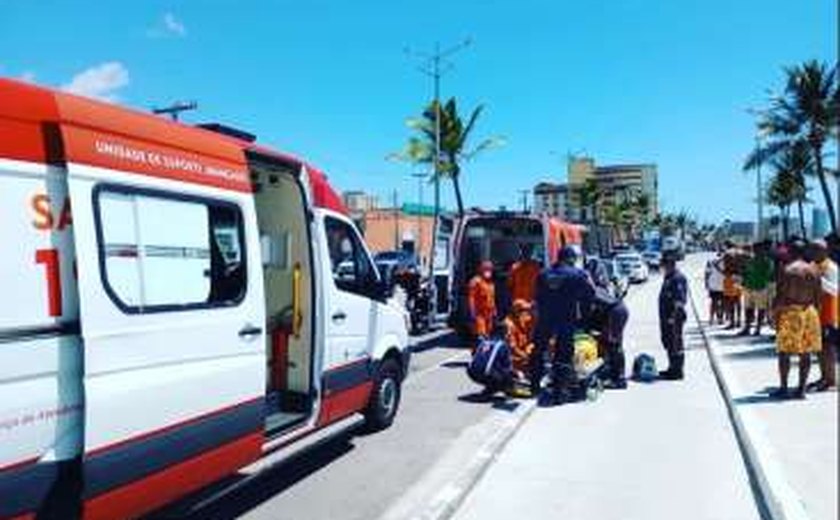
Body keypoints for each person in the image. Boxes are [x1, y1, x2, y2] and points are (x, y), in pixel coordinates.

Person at [532, 246, 595, 402]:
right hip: (566, 319)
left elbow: (537, 297)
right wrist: (584, 318)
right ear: (571, 258)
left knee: (538, 351)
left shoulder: (543, 274)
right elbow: (590, 294)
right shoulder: (578, 274)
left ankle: (534, 385)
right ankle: (560, 391)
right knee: (564, 355)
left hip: (545, 319)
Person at [772, 241, 822, 399]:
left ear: (791, 252)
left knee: (784, 352)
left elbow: (780, 296)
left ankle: (784, 388)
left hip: (790, 312)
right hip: (809, 311)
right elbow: (818, 298)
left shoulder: (787, 270)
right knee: (806, 353)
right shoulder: (814, 270)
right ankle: (801, 390)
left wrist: (775, 314)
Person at [587, 264, 629, 389]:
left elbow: (593, 312)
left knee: (614, 345)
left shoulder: (592, 290)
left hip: (615, 312)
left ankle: (619, 379)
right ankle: (613, 373)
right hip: (618, 311)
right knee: (611, 343)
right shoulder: (602, 287)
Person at [810, 240, 838, 391]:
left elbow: (835, 290)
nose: (812, 253)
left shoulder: (831, 267)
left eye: (816, 250)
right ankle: (824, 377)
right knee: (819, 348)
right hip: (817, 313)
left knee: (828, 348)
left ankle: (832, 381)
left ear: (825, 251)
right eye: (812, 250)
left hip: (829, 314)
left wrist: (818, 280)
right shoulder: (814, 266)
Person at [659, 249, 688, 380]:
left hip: (674, 317)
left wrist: (673, 317)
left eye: (664, 265)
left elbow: (679, 301)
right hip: (666, 317)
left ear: (671, 265)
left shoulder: (678, 278)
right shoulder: (669, 277)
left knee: (676, 343)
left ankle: (677, 371)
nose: (663, 268)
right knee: (668, 342)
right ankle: (672, 367)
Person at [740, 241, 774, 336]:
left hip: (761, 288)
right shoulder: (750, 260)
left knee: (761, 309)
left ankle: (757, 329)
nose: (756, 251)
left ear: (762, 250)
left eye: (758, 249)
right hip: (749, 287)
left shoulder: (767, 261)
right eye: (755, 249)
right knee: (748, 308)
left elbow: (769, 275)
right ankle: (747, 327)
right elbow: (745, 272)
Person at [504, 299, 536, 395]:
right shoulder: (509, 325)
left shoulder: (522, 319)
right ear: (516, 311)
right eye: (523, 310)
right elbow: (512, 348)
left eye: (526, 310)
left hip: (523, 356)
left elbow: (531, 338)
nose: (526, 312)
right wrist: (526, 356)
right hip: (514, 360)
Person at [467, 261, 497, 342]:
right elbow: (471, 298)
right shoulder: (475, 281)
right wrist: (472, 313)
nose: (488, 271)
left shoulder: (490, 284)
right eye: (486, 269)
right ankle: (478, 351)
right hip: (479, 314)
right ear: (481, 269)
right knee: (481, 335)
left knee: (487, 335)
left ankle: (484, 352)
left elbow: (492, 299)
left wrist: (494, 311)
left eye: (489, 269)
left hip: (489, 314)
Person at [705, 253, 726, 325]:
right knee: (723, 302)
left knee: (714, 302)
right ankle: (720, 318)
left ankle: (711, 318)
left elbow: (707, 272)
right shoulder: (726, 260)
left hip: (713, 284)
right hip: (722, 284)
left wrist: (706, 283)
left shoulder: (710, 260)